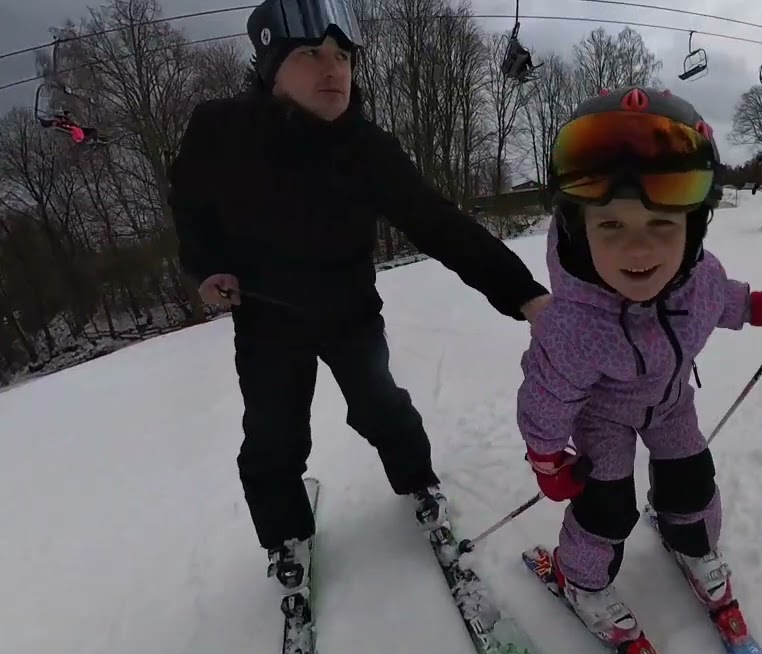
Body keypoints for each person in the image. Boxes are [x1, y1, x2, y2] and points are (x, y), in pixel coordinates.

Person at [167, 0, 552, 594]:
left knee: (380, 406)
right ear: (272, 70)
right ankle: (285, 536)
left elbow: (438, 223)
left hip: (348, 310)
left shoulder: (367, 147)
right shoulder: (220, 130)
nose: (333, 69)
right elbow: (189, 203)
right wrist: (205, 267)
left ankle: (419, 483)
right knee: (273, 434)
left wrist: (525, 295)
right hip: (266, 318)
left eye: (343, 56)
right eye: (310, 54)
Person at [515, 87, 762, 644]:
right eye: (611, 226)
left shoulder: (697, 281)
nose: (638, 252)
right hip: (602, 418)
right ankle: (581, 578)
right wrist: (546, 458)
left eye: (661, 225)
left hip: (670, 403)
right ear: (580, 232)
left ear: (692, 230)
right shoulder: (574, 325)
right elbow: (546, 395)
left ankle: (692, 545)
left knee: (691, 482)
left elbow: (729, 300)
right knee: (607, 507)